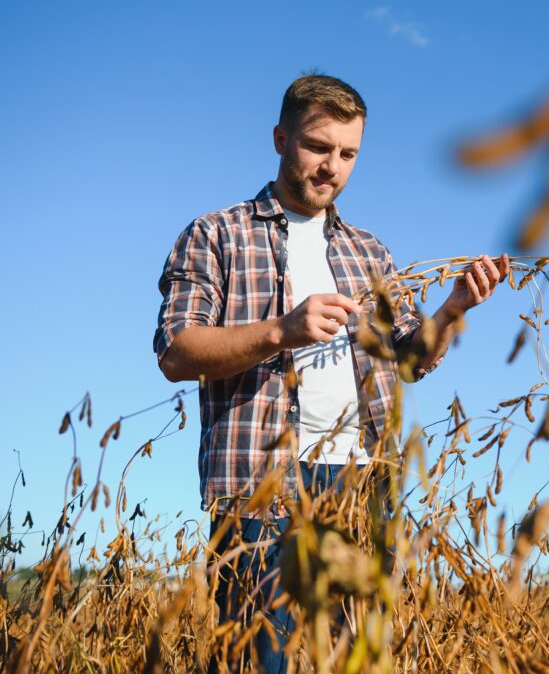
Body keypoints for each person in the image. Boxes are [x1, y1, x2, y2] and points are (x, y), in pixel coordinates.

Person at [154, 73, 509, 672]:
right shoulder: (217, 234)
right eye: (318, 147)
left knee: (357, 660)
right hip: (260, 483)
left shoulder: (370, 252)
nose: (332, 168)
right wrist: (281, 331)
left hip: (363, 484)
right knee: (258, 660)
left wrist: (453, 309)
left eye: (348, 154)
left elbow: (410, 359)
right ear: (280, 139)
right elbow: (176, 351)